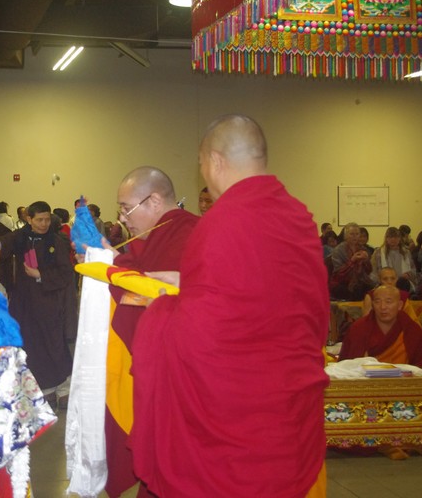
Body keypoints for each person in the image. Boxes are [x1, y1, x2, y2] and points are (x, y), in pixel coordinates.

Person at [131, 114, 328, 497]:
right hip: (289, 402)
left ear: (216, 161)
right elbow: (297, 302)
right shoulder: (298, 215)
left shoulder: (222, 221)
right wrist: (189, 284)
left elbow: (200, 337)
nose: (203, 176)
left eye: (201, 165)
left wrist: (161, 311)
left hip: (237, 413)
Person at [102, 166, 200, 498]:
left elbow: (161, 295)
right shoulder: (160, 235)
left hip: (184, 376)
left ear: (154, 201)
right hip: (162, 373)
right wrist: (116, 261)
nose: (122, 219)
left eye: (126, 208)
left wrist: (117, 269)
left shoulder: (187, 234)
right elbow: (145, 275)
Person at [0, 201, 76, 408]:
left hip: (50, 302)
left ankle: (63, 388)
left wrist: (40, 275)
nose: (44, 224)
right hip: (25, 303)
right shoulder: (21, 237)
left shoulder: (57, 241)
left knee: (55, 344)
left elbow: (66, 273)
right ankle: (44, 390)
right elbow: (5, 241)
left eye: (47, 220)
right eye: (39, 220)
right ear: (29, 219)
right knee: (32, 346)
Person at [339, 284, 422, 423]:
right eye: (378, 302)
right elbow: (345, 367)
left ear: (399, 305)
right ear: (372, 304)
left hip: (403, 385)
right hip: (369, 387)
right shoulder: (359, 329)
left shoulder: (410, 328)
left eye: (388, 302)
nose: (383, 307)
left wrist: (413, 377)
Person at [329, 222, 373, 301]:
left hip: (359, 281)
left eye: (357, 234)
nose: (355, 237)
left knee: (372, 289)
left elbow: (368, 271)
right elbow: (339, 274)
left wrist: (366, 260)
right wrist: (352, 260)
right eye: (352, 234)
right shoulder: (338, 250)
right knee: (356, 290)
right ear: (346, 236)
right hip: (342, 282)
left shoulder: (362, 248)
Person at [370, 226, 417, 292]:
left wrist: (408, 274)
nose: (393, 239)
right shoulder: (378, 253)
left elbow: (413, 269)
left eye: (396, 237)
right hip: (384, 284)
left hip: (402, 283)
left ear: (399, 239)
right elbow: (374, 272)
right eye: (390, 237)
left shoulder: (406, 252)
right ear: (386, 239)